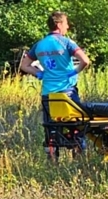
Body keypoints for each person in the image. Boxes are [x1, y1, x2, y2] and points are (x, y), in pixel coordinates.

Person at [19, 11, 92, 155]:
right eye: (66, 23)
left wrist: (39, 73)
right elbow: (85, 60)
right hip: (67, 93)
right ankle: (79, 156)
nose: (68, 27)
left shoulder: (39, 45)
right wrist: (74, 71)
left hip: (48, 94)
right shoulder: (66, 42)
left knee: (51, 129)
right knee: (78, 125)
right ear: (59, 25)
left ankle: (52, 159)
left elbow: (24, 65)